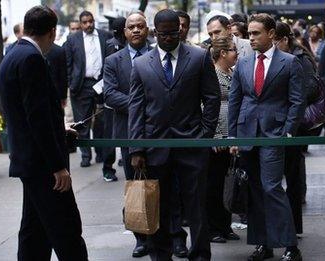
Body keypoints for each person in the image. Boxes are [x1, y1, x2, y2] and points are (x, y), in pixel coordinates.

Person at [128, 9, 220, 260]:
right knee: (159, 206)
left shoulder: (200, 57)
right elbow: (136, 108)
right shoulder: (141, 64)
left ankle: (200, 254)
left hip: (193, 144)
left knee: (196, 206)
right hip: (155, 147)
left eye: (174, 32)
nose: (169, 37)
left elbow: (212, 98)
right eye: (164, 33)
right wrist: (136, 149)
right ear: (154, 32)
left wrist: (205, 134)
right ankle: (161, 254)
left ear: (180, 31)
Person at [0, 6, 88, 260]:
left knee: (34, 231)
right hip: (43, 165)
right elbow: (36, 118)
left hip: (29, 160)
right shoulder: (31, 58)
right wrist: (58, 166)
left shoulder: (13, 53)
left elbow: (28, 112)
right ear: (52, 32)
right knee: (67, 229)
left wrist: (59, 127)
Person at [228, 13, 305, 261]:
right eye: (249, 33)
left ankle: (290, 246)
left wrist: (289, 131)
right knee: (255, 190)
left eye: (255, 33)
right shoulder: (243, 63)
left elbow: (297, 101)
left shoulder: (290, 62)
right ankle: (263, 244)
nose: (250, 38)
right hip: (247, 133)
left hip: (275, 133)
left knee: (272, 187)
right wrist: (233, 137)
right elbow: (235, 100)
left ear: (271, 34)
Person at [103, 12, 152, 258]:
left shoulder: (158, 54)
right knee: (136, 186)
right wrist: (141, 103)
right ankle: (141, 238)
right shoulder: (113, 61)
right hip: (128, 132)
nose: (135, 30)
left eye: (140, 26)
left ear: (147, 29)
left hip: (158, 131)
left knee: (164, 184)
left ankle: (172, 236)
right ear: (124, 31)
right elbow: (110, 95)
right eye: (131, 27)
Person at [274, 21, 318, 236]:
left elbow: (309, 88)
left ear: (283, 40)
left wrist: (287, 98)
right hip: (281, 123)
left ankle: (293, 226)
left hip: (296, 123)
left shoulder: (299, 58)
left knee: (292, 175)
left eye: (275, 40)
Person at [64, 11, 117, 181]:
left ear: (94, 21)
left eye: (90, 21)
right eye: (84, 22)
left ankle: (101, 153)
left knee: (102, 120)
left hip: (102, 83)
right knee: (83, 121)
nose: (88, 25)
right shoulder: (73, 39)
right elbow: (68, 63)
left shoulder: (105, 36)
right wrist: (71, 83)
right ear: (80, 24)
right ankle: (85, 155)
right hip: (82, 84)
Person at [206, 36, 240, 244]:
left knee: (228, 182)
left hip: (232, 136)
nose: (237, 53)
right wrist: (216, 135)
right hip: (218, 138)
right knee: (214, 184)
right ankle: (213, 228)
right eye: (233, 50)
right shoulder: (212, 75)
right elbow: (208, 108)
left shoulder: (232, 72)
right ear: (222, 54)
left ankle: (225, 226)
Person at [46, 43, 68, 107]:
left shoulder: (32, 50)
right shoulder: (59, 50)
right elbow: (63, 76)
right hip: (56, 92)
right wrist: (64, 96)